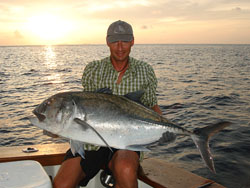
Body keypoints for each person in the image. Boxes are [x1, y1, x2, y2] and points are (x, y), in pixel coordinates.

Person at [53, 20, 163, 188]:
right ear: (107, 42)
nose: (120, 47)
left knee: (125, 168)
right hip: (91, 141)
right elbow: (84, 110)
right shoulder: (93, 69)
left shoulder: (145, 70)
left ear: (132, 41)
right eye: (114, 41)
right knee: (61, 183)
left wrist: (164, 129)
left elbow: (152, 105)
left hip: (126, 139)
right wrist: (57, 126)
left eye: (125, 41)